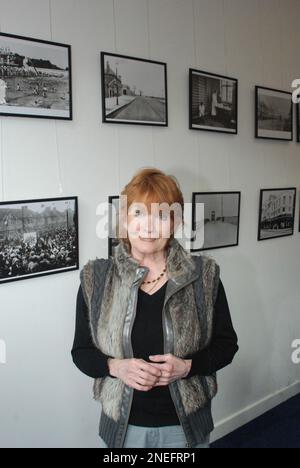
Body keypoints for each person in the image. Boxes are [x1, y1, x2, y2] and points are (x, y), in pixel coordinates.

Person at [71, 168, 238, 449]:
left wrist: (187, 367)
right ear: (124, 220)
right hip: (124, 429)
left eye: (161, 216)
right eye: (138, 214)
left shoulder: (204, 276)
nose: (149, 227)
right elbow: (81, 352)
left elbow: (226, 345)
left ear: (174, 223)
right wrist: (115, 367)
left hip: (184, 429)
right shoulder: (97, 279)